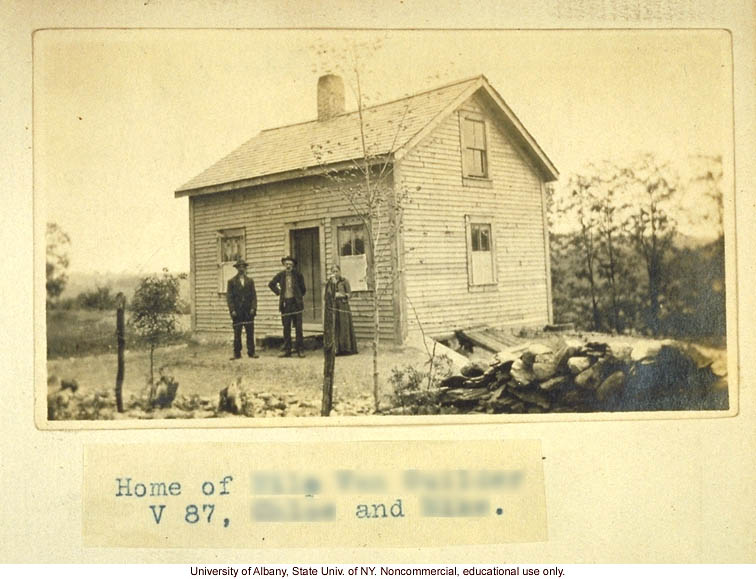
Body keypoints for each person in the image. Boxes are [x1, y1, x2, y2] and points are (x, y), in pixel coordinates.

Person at [268, 255, 306, 358]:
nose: (288, 266)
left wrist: (297, 297)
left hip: (296, 304)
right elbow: (271, 284)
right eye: (286, 264)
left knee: (298, 328)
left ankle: (300, 350)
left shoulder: (298, 275)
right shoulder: (280, 275)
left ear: (293, 265)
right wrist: (279, 292)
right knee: (286, 328)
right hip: (285, 304)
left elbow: (303, 289)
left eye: (290, 264)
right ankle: (287, 350)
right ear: (284, 265)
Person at [226, 259, 258, 359]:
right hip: (237, 312)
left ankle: (251, 352)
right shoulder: (231, 282)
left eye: (243, 267)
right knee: (237, 333)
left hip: (248, 311)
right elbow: (229, 298)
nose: (241, 269)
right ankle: (237, 353)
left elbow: (254, 296)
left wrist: (253, 308)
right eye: (239, 267)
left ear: (245, 268)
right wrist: (232, 310)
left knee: (250, 332)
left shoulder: (250, 281)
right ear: (236, 268)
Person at [325, 264, 358, 355]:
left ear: (340, 272)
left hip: (343, 306)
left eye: (336, 271)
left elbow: (350, 294)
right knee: (335, 326)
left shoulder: (344, 281)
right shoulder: (330, 282)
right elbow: (327, 295)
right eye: (333, 272)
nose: (335, 273)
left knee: (344, 326)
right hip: (334, 306)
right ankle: (336, 349)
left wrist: (342, 295)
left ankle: (346, 349)